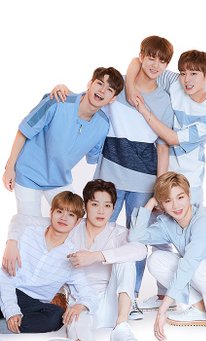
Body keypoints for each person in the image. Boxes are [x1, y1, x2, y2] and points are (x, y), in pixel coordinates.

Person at [50, 36, 174, 302]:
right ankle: (76, 289)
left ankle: (132, 295)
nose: (155, 64)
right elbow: (92, 100)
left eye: (161, 61)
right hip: (110, 177)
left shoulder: (163, 99)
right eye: (150, 57)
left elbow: (163, 147)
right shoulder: (120, 86)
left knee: (136, 238)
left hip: (144, 181)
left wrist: (160, 188)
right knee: (90, 229)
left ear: (166, 66)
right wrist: (65, 90)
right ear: (141, 56)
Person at [3, 180, 147, 341]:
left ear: (113, 209)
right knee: (76, 316)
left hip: (110, 300)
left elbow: (141, 250)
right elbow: (21, 219)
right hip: (79, 297)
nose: (101, 211)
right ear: (85, 206)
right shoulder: (71, 223)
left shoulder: (119, 233)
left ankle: (122, 326)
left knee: (126, 261)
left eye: (107, 206)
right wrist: (12, 242)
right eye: (95, 204)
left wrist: (95, 256)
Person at [125, 49, 206, 311]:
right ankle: (162, 294)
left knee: (190, 244)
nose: (187, 80)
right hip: (162, 176)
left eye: (194, 74)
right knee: (159, 237)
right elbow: (137, 62)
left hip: (189, 186)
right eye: (184, 73)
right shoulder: (176, 82)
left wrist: (143, 109)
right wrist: (130, 87)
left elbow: (172, 138)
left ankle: (202, 302)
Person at [128, 172, 206, 341]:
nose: (175, 205)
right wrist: (151, 202)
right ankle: (200, 309)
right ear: (162, 205)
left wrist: (163, 309)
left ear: (189, 195)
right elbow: (135, 236)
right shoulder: (168, 224)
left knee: (197, 265)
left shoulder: (204, 220)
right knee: (156, 259)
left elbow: (189, 264)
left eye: (180, 197)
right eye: (168, 201)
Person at [2, 67, 124, 217]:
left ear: (112, 99)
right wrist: (10, 167)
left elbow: (93, 157)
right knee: (30, 224)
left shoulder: (103, 125)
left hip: (58, 180)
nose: (102, 90)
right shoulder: (58, 100)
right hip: (28, 174)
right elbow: (24, 130)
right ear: (90, 84)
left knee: (75, 218)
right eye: (99, 83)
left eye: (109, 90)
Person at [0, 192, 98, 341]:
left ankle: (5, 327)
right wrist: (12, 311)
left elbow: (89, 294)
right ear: (51, 212)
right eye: (60, 211)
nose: (64, 218)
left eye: (71, 215)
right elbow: (5, 278)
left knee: (56, 316)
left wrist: (81, 305)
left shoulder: (72, 256)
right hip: (7, 289)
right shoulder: (28, 234)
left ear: (77, 222)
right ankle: (9, 317)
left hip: (32, 303)